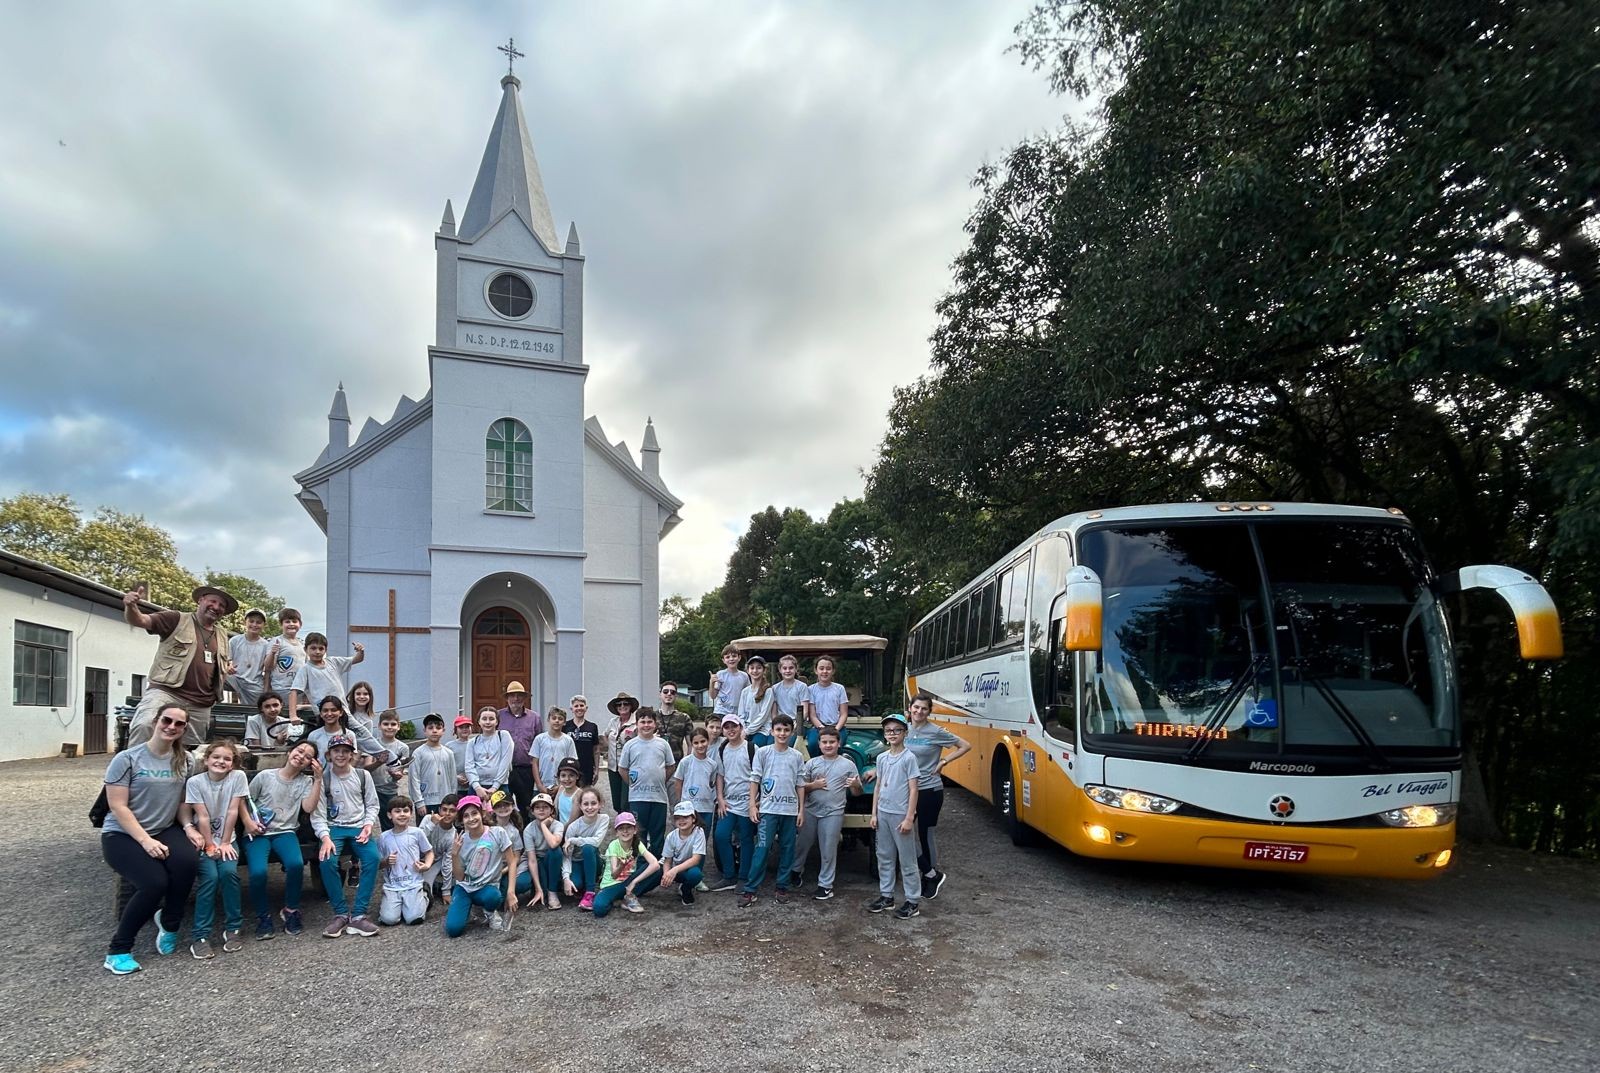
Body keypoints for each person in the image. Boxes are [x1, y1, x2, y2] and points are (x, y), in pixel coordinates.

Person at [100, 703, 200, 974]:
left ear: (184, 729)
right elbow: (118, 806)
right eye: (167, 720)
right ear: (156, 721)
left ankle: (169, 922)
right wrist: (145, 841)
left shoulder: (186, 761)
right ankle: (118, 950)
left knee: (189, 862)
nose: (171, 727)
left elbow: (181, 802)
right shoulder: (128, 759)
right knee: (154, 883)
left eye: (179, 724)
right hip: (123, 834)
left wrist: (189, 827)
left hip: (163, 828)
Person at [124, 584, 236, 749]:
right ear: (201, 600)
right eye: (213, 601)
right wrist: (130, 606)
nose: (216, 607)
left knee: (190, 750)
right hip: (166, 693)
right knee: (145, 725)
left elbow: (218, 667)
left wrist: (226, 669)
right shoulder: (175, 619)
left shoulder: (222, 635)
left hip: (201, 703)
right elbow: (140, 620)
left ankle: (179, 775)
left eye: (222, 606)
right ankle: (131, 770)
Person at [244, 739, 321, 939]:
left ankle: (291, 910)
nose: (301, 757)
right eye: (299, 751)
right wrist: (249, 824)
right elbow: (245, 801)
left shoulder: (305, 782)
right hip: (258, 832)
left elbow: (308, 808)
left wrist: (318, 779)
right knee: (258, 872)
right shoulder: (265, 776)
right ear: (289, 751)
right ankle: (263, 916)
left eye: (308, 757)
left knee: (295, 864)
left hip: (285, 831)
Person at [311, 734, 382, 939]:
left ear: (352, 754)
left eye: (345, 751)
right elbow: (318, 814)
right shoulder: (323, 778)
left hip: (359, 826)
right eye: (336, 751)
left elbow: (372, 804)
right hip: (335, 828)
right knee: (326, 861)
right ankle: (340, 913)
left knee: (372, 858)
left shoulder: (362, 776)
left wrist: (368, 825)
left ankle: (359, 914)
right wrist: (325, 837)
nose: (340, 755)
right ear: (329, 755)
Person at [184, 740, 249, 959]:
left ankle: (234, 927)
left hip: (227, 839)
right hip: (203, 840)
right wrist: (211, 844)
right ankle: (200, 935)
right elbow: (202, 815)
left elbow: (232, 811)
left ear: (233, 764)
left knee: (229, 873)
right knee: (210, 877)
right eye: (216, 757)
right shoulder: (195, 782)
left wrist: (225, 843)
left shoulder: (238, 778)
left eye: (227, 759)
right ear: (207, 760)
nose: (221, 762)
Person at [905, 692, 972, 898]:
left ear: (929, 711)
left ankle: (929, 878)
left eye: (924, 709)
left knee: (925, 834)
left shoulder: (935, 732)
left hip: (929, 790)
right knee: (904, 832)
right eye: (916, 707)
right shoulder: (904, 729)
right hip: (908, 790)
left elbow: (965, 745)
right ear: (910, 708)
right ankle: (931, 874)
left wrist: (944, 762)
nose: (919, 712)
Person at [738, 713, 806, 907]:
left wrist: (801, 810)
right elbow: (755, 779)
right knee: (762, 847)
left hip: (790, 811)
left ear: (791, 732)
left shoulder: (797, 756)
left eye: (786, 730)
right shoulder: (763, 752)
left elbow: (800, 784)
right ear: (772, 731)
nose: (782, 733)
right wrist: (752, 805)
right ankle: (751, 889)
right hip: (768, 809)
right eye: (778, 729)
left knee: (787, 849)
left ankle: (782, 886)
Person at [790, 725, 863, 901]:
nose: (828, 745)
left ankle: (825, 885)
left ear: (839, 743)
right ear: (820, 744)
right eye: (824, 742)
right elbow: (801, 788)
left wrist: (855, 785)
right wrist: (813, 786)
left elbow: (857, 792)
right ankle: (796, 870)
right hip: (811, 810)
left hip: (833, 812)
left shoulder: (848, 764)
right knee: (802, 843)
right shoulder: (812, 763)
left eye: (832, 742)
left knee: (828, 847)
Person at [866, 713, 922, 919]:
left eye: (897, 730)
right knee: (884, 856)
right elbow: (878, 786)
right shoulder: (882, 758)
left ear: (905, 733)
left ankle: (913, 901)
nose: (892, 734)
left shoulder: (909, 758)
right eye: (888, 730)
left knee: (907, 859)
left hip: (900, 813)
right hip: (883, 812)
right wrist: (874, 814)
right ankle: (886, 896)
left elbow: (914, 789)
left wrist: (909, 817)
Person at [444, 795, 518, 937]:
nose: (471, 819)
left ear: (482, 813)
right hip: (465, 887)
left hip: (487, 887)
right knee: (453, 930)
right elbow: (459, 876)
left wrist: (511, 892)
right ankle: (472, 908)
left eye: (474, 813)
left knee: (494, 896)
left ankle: (488, 912)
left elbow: (512, 861)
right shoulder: (460, 840)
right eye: (466, 816)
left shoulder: (497, 833)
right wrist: (454, 854)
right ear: (461, 820)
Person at [617, 708, 675, 857]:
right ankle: (640, 865)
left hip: (658, 798)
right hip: (637, 798)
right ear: (637, 724)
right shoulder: (630, 745)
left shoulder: (663, 744)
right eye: (643, 722)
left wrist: (660, 780)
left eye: (650, 722)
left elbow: (670, 766)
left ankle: (656, 866)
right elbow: (622, 769)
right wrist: (633, 783)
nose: (646, 725)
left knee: (657, 833)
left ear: (655, 724)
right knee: (639, 833)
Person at [711, 714, 758, 892]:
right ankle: (729, 875)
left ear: (741, 727)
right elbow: (720, 776)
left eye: (734, 726)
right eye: (726, 727)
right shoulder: (722, 749)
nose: (730, 730)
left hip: (748, 803)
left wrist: (755, 802)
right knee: (721, 836)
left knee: (746, 839)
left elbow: (759, 775)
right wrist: (720, 799)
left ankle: (743, 877)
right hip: (729, 803)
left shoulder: (752, 748)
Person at [591, 812, 661, 918]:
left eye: (628, 827)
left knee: (658, 871)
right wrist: (621, 866)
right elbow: (614, 875)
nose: (625, 831)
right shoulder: (614, 845)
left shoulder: (637, 843)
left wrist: (634, 882)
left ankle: (627, 895)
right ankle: (621, 899)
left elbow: (655, 864)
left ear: (635, 830)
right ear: (616, 832)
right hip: (612, 884)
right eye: (621, 828)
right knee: (599, 909)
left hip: (629, 883)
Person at [378, 796, 434, 926]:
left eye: (405, 811)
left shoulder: (417, 833)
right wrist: (386, 862)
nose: (402, 814)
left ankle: (424, 896)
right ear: (389, 815)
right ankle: (397, 905)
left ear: (411, 814)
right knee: (389, 920)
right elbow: (377, 864)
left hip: (413, 883)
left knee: (413, 919)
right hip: (393, 885)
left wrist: (426, 865)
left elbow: (429, 852)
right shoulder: (383, 837)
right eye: (397, 811)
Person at [290, 632, 365, 721]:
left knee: (361, 733)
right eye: (313, 648)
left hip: (342, 711)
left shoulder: (333, 662)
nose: (317, 652)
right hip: (324, 714)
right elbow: (294, 691)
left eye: (321, 649)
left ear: (325, 650)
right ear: (305, 649)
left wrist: (361, 651)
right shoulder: (305, 669)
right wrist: (293, 715)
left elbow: (357, 659)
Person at [497, 680, 542, 815]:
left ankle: (525, 834)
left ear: (524, 698)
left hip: (525, 770)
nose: (516, 699)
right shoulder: (498, 716)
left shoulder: (534, 718)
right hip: (504, 770)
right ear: (507, 698)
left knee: (526, 805)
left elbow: (538, 743)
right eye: (512, 695)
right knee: (502, 805)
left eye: (519, 695)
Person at [564, 787, 610, 910]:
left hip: (594, 858)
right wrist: (566, 878)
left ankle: (590, 892)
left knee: (588, 848)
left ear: (600, 804)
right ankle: (583, 883)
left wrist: (573, 840)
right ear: (580, 806)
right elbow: (567, 856)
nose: (590, 807)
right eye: (586, 804)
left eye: (594, 803)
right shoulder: (573, 827)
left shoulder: (603, 819)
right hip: (577, 861)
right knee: (576, 885)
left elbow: (596, 842)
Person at [306, 695, 385, 764]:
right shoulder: (314, 735)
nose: (329, 714)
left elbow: (352, 759)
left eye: (333, 710)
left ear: (340, 713)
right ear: (321, 714)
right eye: (325, 710)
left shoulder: (349, 734)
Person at [672, 727, 719, 838]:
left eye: (703, 741)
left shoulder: (712, 764)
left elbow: (712, 783)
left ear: (708, 741)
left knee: (702, 839)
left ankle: (700, 857)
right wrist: (681, 802)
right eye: (696, 743)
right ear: (692, 744)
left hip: (706, 807)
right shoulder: (685, 762)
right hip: (689, 808)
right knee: (687, 838)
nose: (700, 745)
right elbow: (678, 783)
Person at [408, 713, 458, 817]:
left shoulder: (448, 753)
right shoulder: (418, 753)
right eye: (430, 728)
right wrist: (419, 802)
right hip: (426, 801)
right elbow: (414, 778)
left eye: (438, 728)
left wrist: (453, 799)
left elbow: (453, 778)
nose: (434, 730)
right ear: (425, 731)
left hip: (445, 801)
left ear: (443, 730)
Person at [660, 801, 707, 904]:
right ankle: (630, 892)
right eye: (678, 818)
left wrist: (674, 870)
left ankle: (685, 889)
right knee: (652, 873)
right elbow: (667, 860)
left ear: (693, 818)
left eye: (685, 817)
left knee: (696, 874)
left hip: (685, 869)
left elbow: (696, 859)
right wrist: (666, 875)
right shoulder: (671, 836)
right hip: (672, 867)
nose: (681, 821)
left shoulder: (699, 832)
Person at [371, 710, 412, 830]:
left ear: (398, 726)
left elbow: (401, 771)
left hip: (390, 791)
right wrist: (379, 762)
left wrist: (396, 775)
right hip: (372, 789)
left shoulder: (403, 748)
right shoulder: (373, 744)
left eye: (393, 724)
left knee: (389, 825)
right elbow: (366, 768)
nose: (389, 727)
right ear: (379, 726)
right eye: (386, 724)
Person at [525, 793, 565, 910]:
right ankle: (540, 888)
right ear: (532, 811)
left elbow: (553, 844)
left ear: (551, 810)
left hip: (552, 859)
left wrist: (543, 825)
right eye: (537, 807)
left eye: (545, 807)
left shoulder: (557, 825)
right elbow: (531, 860)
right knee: (540, 889)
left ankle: (553, 891)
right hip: (538, 861)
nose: (541, 810)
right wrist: (538, 888)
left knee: (555, 851)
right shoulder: (528, 830)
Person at [264, 608, 307, 716]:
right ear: (281, 624)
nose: (291, 624)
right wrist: (273, 653)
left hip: (298, 691)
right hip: (280, 689)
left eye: (294, 621)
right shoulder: (277, 641)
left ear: (300, 624)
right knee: (280, 718)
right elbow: (268, 667)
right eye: (287, 621)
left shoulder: (302, 644)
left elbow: (306, 668)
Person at [467, 706, 515, 801]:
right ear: (479, 722)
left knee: (501, 814)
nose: (488, 722)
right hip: (477, 788)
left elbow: (505, 763)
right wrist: (477, 787)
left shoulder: (503, 736)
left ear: (497, 722)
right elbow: (469, 766)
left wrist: (495, 787)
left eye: (491, 719)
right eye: (484, 719)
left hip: (500, 786)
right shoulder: (472, 742)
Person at [418, 793, 459, 904]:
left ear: (457, 814)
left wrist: (446, 891)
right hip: (417, 857)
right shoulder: (428, 818)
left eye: (452, 811)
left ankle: (438, 886)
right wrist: (431, 824)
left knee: (424, 891)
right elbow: (416, 841)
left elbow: (447, 862)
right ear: (439, 809)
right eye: (444, 809)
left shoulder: (452, 835)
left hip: (435, 862)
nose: (447, 814)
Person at [804, 655, 850, 755]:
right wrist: (822, 728)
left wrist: (836, 729)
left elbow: (844, 714)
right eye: (821, 668)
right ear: (816, 670)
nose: (825, 671)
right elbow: (812, 715)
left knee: (839, 744)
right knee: (812, 744)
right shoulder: (811, 689)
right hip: (818, 728)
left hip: (837, 727)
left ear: (833, 671)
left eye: (828, 669)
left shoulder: (839, 689)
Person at [227, 608, 272, 707]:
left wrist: (266, 689)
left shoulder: (266, 645)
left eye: (258, 622)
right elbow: (227, 659)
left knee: (254, 711)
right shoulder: (235, 640)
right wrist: (228, 665)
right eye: (251, 621)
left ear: (263, 625)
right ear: (245, 622)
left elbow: (268, 668)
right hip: (235, 678)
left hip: (254, 683)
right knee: (214, 677)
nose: (254, 625)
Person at [603, 691, 640, 812]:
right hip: (613, 765)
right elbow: (605, 735)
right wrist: (610, 748)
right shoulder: (613, 722)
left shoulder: (636, 723)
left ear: (631, 706)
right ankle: (621, 821)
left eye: (625, 704)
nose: (622, 706)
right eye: (619, 704)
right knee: (616, 801)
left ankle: (629, 823)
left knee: (626, 801)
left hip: (629, 767)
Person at [532, 707, 578, 796]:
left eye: (560, 719)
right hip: (541, 784)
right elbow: (534, 763)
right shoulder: (539, 739)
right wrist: (539, 784)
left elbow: (572, 763)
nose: (557, 721)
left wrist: (560, 785)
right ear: (548, 720)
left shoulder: (568, 740)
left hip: (563, 785)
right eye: (554, 718)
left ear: (564, 722)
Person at [737, 655, 778, 747]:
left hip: (762, 730)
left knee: (753, 747)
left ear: (764, 670)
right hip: (746, 729)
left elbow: (763, 716)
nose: (755, 671)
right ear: (748, 670)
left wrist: (747, 731)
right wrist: (743, 729)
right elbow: (741, 714)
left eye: (759, 668)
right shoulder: (745, 691)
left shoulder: (768, 691)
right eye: (752, 668)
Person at [770, 655, 809, 744]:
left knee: (789, 743)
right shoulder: (775, 688)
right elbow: (774, 713)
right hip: (780, 723)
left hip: (797, 724)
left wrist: (796, 724)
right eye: (785, 668)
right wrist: (776, 724)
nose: (788, 671)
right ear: (780, 670)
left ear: (796, 669)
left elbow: (805, 711)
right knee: (770, 743)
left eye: (791, 668)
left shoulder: (802, 687)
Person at [565, 694, 600, 787]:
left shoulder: (592, 726)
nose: (579, 708)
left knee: (585, 795)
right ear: (571, 709)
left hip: (587, 767)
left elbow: (596, 750)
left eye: (581, 705)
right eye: (576, 706)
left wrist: (596, 769)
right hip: (569, 767)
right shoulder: (565, 726)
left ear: (586, 708)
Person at [709, 645, 749, 723]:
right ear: (723, 660)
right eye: (727, 657)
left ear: (739, 658)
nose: (731, 659)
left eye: (734, 656)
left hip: (737, 713)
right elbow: (713, 696)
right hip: (721, 712)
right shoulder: (720, 675)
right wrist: (711, 683)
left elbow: (747, 694)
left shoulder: (744, 676)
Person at [446, 715, 475, 790]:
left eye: (467, 727)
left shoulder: (475, 743)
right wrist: (455, 777)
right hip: (456, 786)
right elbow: (445, 766)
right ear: (455, 730)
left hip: (473, 785)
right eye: (461, 727)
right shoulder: (449, 746)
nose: (464, 729)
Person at [552, 757, 582, 824]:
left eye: (571, 775)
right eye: (563, 775)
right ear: (559, 777)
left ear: (577, 776)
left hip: (573, 831)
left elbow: (572, 822)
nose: (567, 779)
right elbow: (554, 810)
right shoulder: (561, 788)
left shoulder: (578, 794)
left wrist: (559, 833)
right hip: (559, 828)